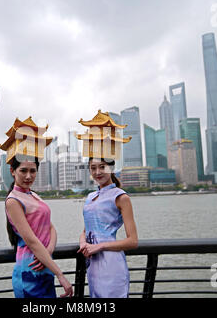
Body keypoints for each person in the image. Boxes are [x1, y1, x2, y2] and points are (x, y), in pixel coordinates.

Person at [0, 116, 73, 298]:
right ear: (12, 171)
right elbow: (31, 241)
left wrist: (47, 253)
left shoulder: (34, 196)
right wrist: (61, 275)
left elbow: (51, 228)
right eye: (23, 170)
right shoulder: (13, 201)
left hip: (45, 266)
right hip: (29, 272)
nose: (28, 176)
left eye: (32, 171)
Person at [75, 110, 138, 298]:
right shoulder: (90, 197)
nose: (97, 172)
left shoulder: (120, 197)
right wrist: (83, 242)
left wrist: (99, 246)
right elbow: (87, 229)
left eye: (102, 167)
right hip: (92, 264)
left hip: (111, 264)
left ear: (111, 168)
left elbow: (132, 241)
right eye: (93, 168)